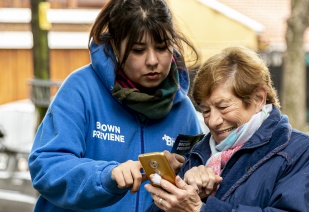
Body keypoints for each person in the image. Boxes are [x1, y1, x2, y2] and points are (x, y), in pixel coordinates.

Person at [28, 0, 204, 211]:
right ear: (115, 47)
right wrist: (107, 176)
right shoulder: (80, 89)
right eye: (138, 50)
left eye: (161, 47)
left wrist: (186, 172)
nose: (152, 60)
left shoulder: (183, 109)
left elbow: (199, 181)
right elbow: (47, 167)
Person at [145, 46, 309, 211]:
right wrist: (186, 190)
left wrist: (200, 209)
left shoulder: (305, 154)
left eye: (223, 107)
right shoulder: (197, 154)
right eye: (205, 110)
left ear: (259, 98)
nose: (212, 121)